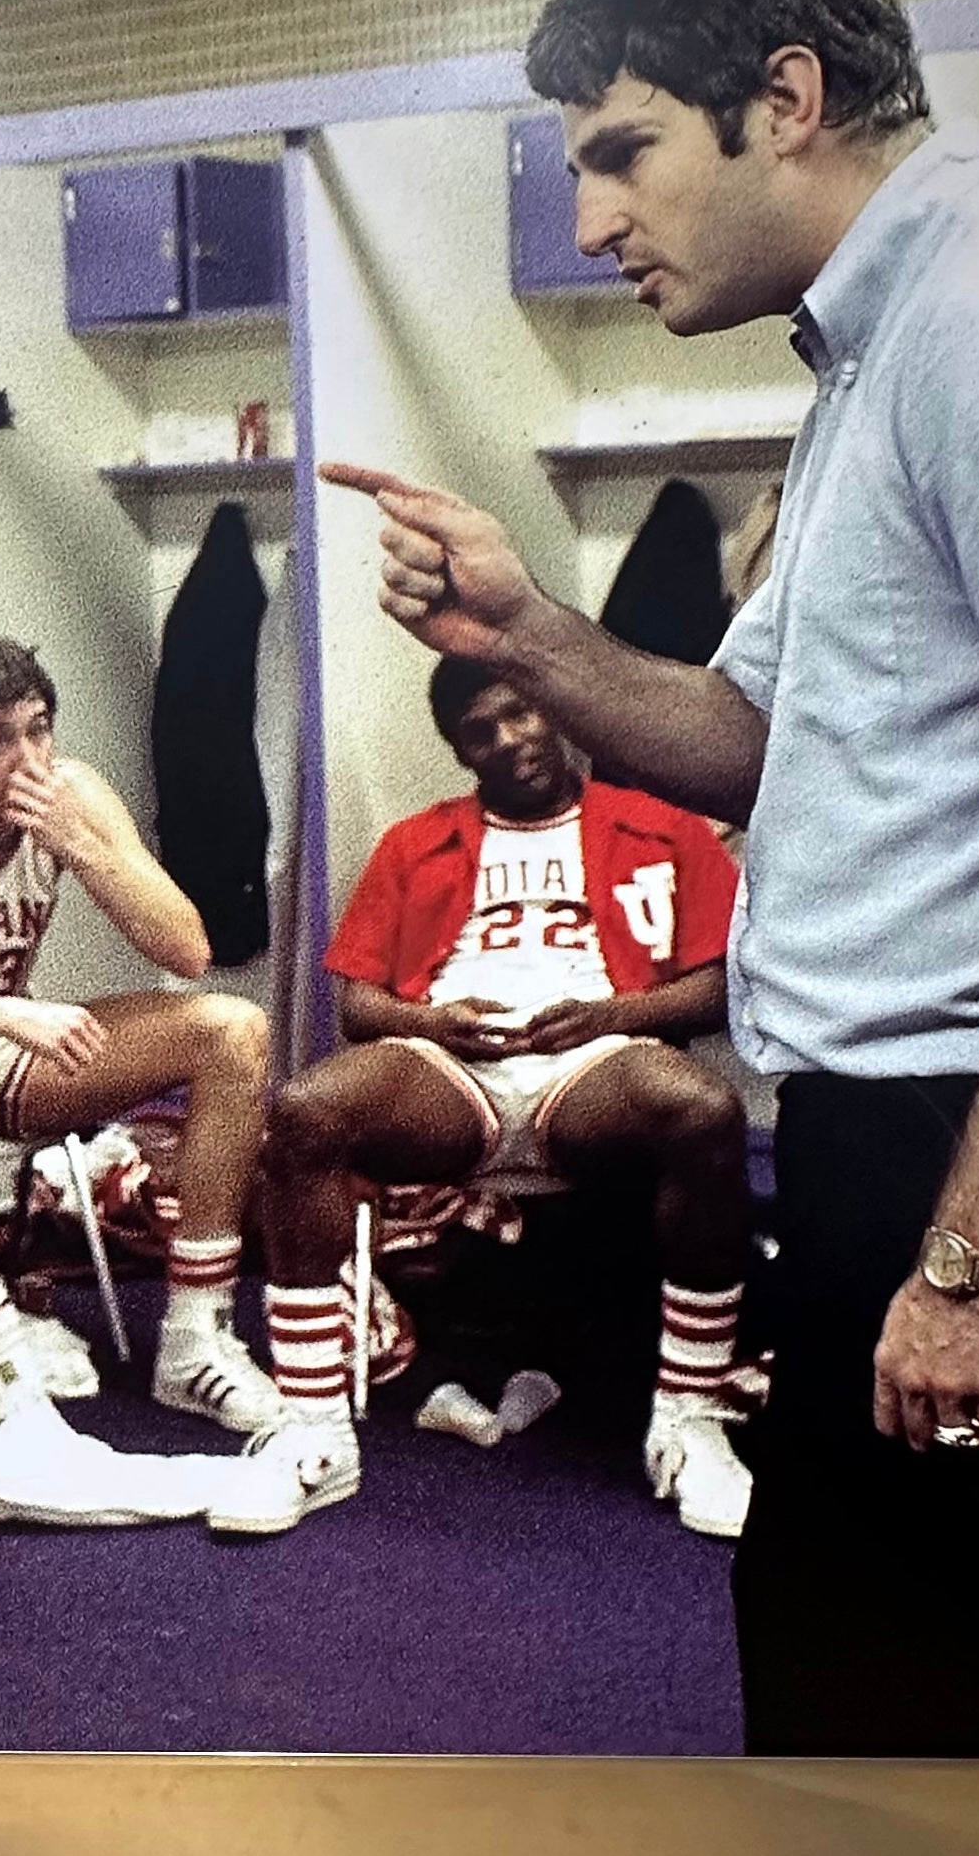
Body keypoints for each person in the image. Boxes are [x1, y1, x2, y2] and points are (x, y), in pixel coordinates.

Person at [326, 0, 979, 1755]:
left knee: (920, 1760)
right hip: (911, 1142)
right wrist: (529, 635)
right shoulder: (887, 345)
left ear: (786, 99)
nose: (590, 220)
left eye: (622, 151)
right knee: (860, 1709)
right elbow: (763, 744)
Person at [263, 653, 754, 1534]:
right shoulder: (415, 841)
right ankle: (311, 1427)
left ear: (555, 712)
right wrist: (433, 1020)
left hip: (594, 1061)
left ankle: (690, 1420)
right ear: (461, 751)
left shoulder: (661, 827)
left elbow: (720, 985)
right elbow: (358, 1004)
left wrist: (612, 1013)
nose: (509, 739)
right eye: (480, 731)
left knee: (706, 1111)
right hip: (457, 1067)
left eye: (521, 713)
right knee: (304, 1111)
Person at [0, 638, 297, 1523]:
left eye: (39, 729)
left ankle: (194, 1342)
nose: (29, 758)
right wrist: (7, 1014)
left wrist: (83, 846)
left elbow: (188, 949)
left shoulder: (70, 793)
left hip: (11, 1051)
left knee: (233, 1029)